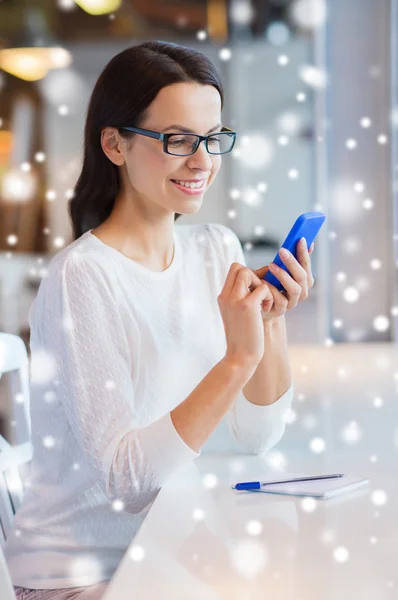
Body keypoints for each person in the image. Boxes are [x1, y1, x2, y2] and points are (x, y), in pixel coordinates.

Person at [4, 39, 314, 599]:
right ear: (114, 144)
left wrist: (270, 323)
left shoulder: (216, 248)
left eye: (213, 139)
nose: (202, 161)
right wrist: (238, 358)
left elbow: (257, 436)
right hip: (85, 577)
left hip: (171, 553)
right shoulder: (82, 277)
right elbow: (127, 479)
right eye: (177, 140)